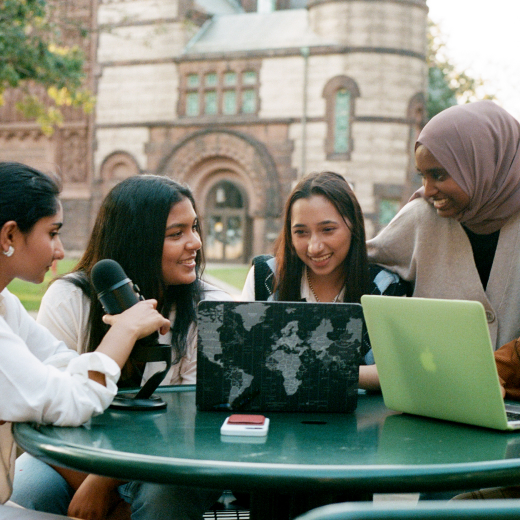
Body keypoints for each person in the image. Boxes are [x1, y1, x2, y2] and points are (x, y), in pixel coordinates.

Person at [10, 174, 233, 519]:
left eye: (195, 228)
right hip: (80, 453)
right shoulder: (70, 297)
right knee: (30, 489)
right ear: (135, 241)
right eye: (176, 233)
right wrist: (94, 482)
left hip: (174, 456)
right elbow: (56, 400)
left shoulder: (211, 308)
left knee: (162, 498)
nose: (195, 243)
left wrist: (102, 484)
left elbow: (189, 424)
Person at [0, 162, 170, 507]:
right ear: (9, 236)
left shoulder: (6, 304)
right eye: (52, 233)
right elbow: (71, 401)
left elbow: (59, 361)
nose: (60, 250)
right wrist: (125, 328)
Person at [367, 100, 520, 351]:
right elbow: (355, 264)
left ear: (481, 164)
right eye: (422, 176)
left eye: (439, 175)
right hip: (436, 388)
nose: (427, 190)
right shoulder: (422, 217)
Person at [241, 171, 410, 390]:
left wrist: (317, 369)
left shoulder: (385, 286)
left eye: (328, 230)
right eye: (301, 232)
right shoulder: (264, 277)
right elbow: (241, 359)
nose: (314, 247)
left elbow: (401, 371)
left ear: (353, 226)